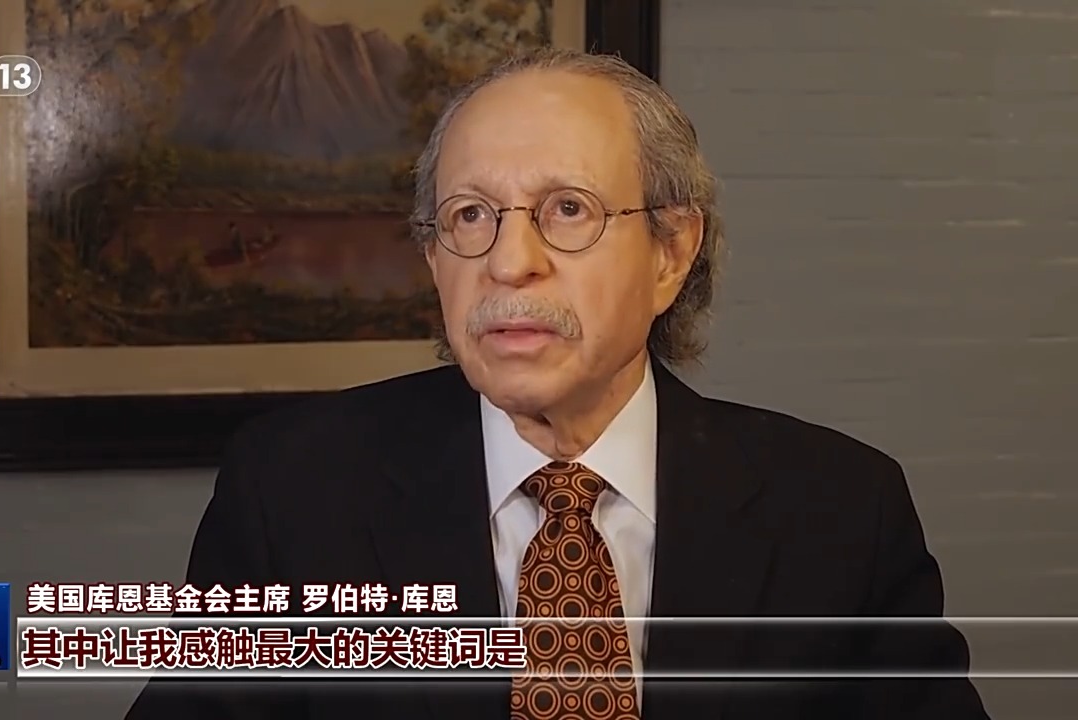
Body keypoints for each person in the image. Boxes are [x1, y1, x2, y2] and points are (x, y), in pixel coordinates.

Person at [126, 48, 990, 720]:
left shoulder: (841, 511)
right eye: (470, 215)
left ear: (670, 252)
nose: (509, 262)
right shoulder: (293, 490)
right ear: (433, 258)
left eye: (567, 210)